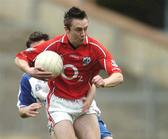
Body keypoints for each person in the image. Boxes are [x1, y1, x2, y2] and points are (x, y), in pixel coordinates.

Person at [15, 7, 123, 139]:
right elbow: (20, 57)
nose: (83, 33)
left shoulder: (96, 48)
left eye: (85, 28)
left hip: (83, 105)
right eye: (78, 29)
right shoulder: (54, 46)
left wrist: (104, 81)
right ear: (67, 30)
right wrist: (29, 70)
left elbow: (118, 76)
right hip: (59, 105)